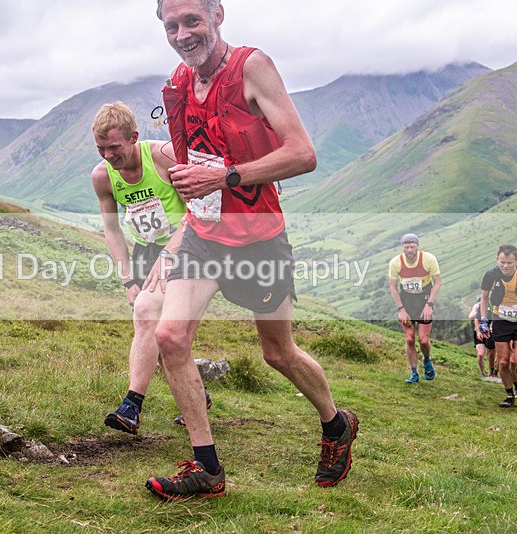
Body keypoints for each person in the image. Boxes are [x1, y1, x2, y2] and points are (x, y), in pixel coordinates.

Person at [144, 0, 358, 501]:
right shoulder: (180, 80)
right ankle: (207, 470)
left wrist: (226, 175)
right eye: (171, 25)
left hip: (259, 239)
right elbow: (194, 159)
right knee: (170, 337)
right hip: (204, 234)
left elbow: (303, 154)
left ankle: (336, 425)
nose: (181, 34)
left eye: (191, 21)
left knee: (277, 353)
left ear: (217, 14)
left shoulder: (251, 67)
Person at [90, 102, 212, 434]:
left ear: (134, 137)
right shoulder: (103, 176)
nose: (108, 156)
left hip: (191, 247)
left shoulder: (163, 157)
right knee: (166, 337)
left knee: (151, 316)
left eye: (114, 147)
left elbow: (199, 209)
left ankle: (131, 406)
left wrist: (170, 253)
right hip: (146, 249)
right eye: (101, 149)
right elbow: (112, 229)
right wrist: (128, 277)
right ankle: (198, 395)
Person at [480, 244, 517, 408]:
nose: (505, 266)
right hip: (500, 321)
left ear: (516, 261)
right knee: (503, 362)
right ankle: (509, 395)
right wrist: (484, 319)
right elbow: (484, 297)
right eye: (502, 262)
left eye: (509, 263)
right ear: (497, 260)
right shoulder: (491, 275)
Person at [388, 234, 442, 383]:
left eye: (412, 247)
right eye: (407, 247)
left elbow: (437, 282)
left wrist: (429, 305)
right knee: (410, 339)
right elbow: (392, 286)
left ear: (417, 246)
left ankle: (426, 359)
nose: (410, 250)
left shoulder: (428, 259)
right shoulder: (395, 263)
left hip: (424, 299)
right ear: (402, 248)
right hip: (406, 301)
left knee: (424, 341)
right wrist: (401, 309)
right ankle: (414, 373)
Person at [470, 298, 498, 381]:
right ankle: (482, 372)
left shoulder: (494, 306)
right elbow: (473, 318)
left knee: (491, 353)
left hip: (490, 332)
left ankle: (491, 372)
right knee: (481, 354)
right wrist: (478, 331)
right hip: (478, 332)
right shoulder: (478, 306)